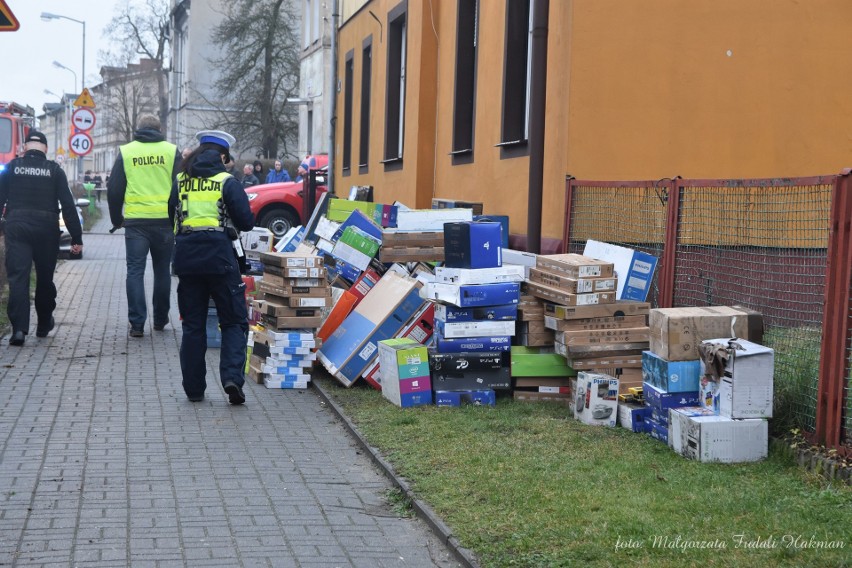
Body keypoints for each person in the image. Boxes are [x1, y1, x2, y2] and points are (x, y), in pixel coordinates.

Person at [168, 130, 255, 404]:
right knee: (233, 321)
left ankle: (194, 390)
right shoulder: (226, 182)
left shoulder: (180, 181)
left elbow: (170, 215)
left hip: (187, 260)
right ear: (222, 156)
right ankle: (231, 379)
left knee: (193, 325)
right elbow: (246, 222)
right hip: (220, 259)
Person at [0, 130, 83, 346]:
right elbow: (68, 206)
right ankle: (44, 323)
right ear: (46, 149)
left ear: (24, 147)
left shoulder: (12, 167)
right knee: (45, 279)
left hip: (17, 227)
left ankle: (18, 330)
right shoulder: (55, 170)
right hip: (46, 230)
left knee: (19, 278)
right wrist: (76, 237)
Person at [107, 114, 181, 337]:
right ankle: (160, 319)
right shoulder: (171, 151)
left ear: (139, 129)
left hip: (136, 223)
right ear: (159, 129)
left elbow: (114, 190)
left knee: (135, 272)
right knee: (162, 272)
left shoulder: (127, 151)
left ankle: (137, 324)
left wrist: (115, 219)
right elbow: (179, 187)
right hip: (165, 222)